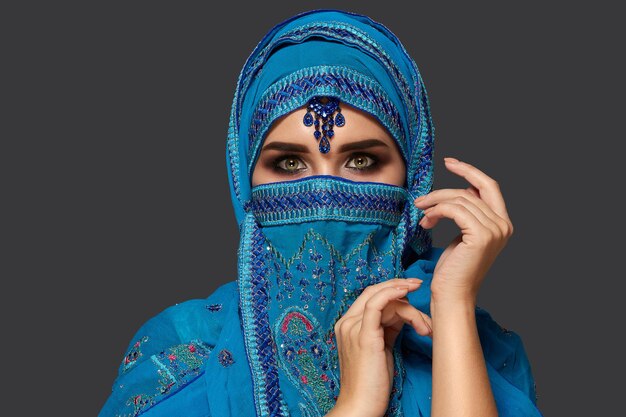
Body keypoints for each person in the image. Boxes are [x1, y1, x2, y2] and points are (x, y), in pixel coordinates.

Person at [98, 9, 543, 417]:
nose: (326, 193)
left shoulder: (476, 347)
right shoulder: (184, 352)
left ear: (412, 181)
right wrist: (355, 406)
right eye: (289, 164)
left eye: (363, 161)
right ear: (245, 183)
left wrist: (452, 303)